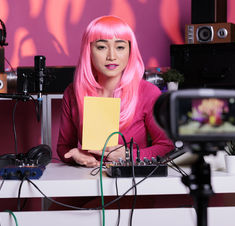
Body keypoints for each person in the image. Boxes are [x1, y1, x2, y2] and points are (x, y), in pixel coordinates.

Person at [57, 15, 174, 167]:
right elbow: (63, 148)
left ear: (130, 51)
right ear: (89, 50)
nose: (111, 56)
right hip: (87, 180)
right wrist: (75, 155)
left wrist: (129, 155)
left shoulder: (148, 92)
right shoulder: (73, 92)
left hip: (133, 181)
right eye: (101, 47)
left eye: (120, 47)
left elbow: (167, 147)